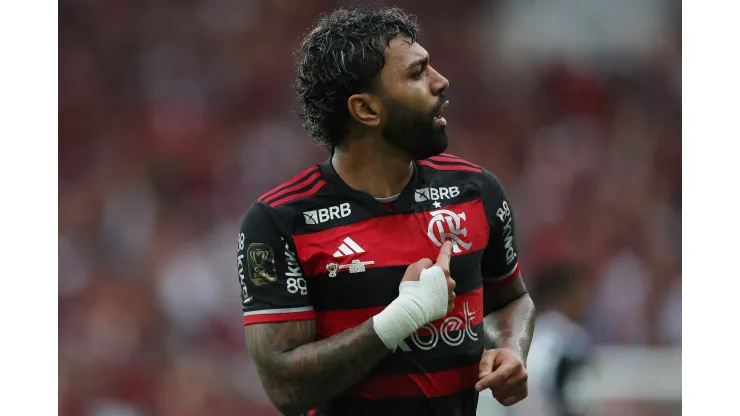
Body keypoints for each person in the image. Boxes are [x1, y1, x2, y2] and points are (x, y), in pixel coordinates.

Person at [237, 6, 536, 416]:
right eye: (416, 74)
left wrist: (509, 348)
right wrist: (403, 316)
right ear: (367, 110)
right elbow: (286, 388)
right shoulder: (281, 221)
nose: (441, 82)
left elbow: (511, 300)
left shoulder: (476, 191)